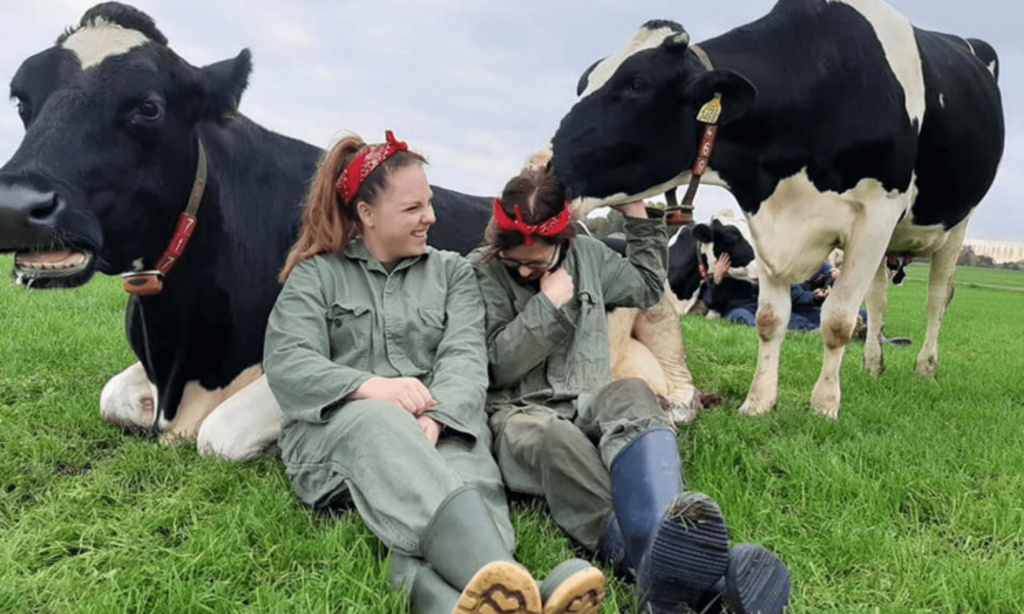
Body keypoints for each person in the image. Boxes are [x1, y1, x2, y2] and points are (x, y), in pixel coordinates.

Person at [263, 131, 605, 614]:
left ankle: (458, 602)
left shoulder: (452, 273)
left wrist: (439, 418)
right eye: (412, 208)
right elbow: (288, 360)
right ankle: (526, 590)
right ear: (367, 214)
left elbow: (464, 358)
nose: (431, 217)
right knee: (380, 424)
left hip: (440, 425)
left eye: (428, 203)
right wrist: (372, 387)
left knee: (466, 479)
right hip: (337, 441)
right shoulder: (317, 275)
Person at [471, 166, 791, 614]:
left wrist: (638, 216)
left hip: (588, 396)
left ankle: (664, 573)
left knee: (635, 394)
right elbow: (496, 367)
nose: (524, 268)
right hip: (519, 414)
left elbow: (644, 288)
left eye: (538, 261)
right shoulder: (479, 273)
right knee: (552, 439)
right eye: (514, 259)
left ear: (563, 243)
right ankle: (697, 582)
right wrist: (547, 303)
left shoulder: (589, 256)